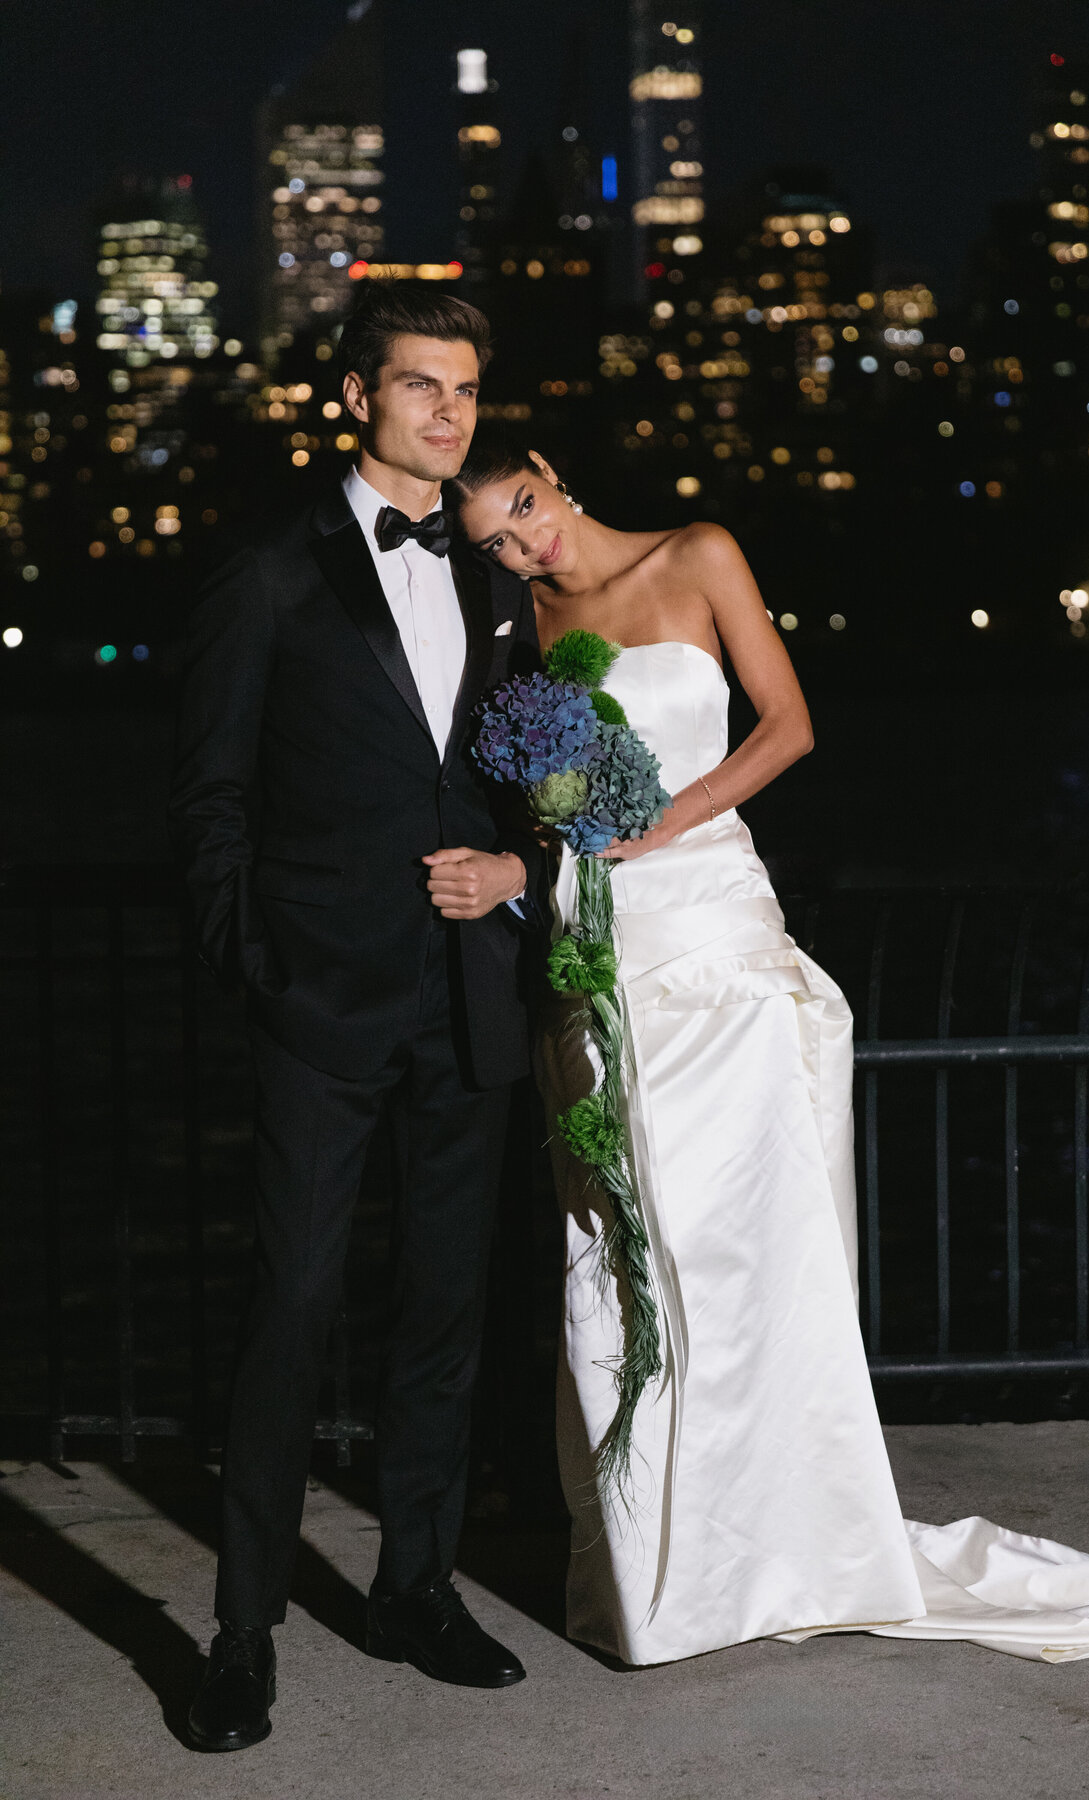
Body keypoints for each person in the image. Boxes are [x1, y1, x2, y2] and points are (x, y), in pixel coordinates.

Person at [448, 434, 1089, 1670]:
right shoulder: (521, 627)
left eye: (525, 511)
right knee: (625, 1252)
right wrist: (555, 844)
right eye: (498, 541)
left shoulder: (700, 554)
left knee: (748, 1245)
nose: (528, 546)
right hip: (599, 951)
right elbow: (538, 802)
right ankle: (666, 1576)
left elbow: (789, 726)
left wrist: (659, 823)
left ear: (549, 469)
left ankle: (777, 1546)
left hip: (711, 930)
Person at [169, 287, 542, 1753]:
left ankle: (415, 1591)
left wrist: (525, 870)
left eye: (463, 390)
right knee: (291, 1310)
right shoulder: (268, 572)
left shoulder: (501, 578)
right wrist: (259, 974)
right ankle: (243, 1633)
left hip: (469, 1009)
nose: (447, 413)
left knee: (443, 1314)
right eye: (417, 387)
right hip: (318, 1010)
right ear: (354, 397)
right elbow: (209, 804)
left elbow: (538, 783)